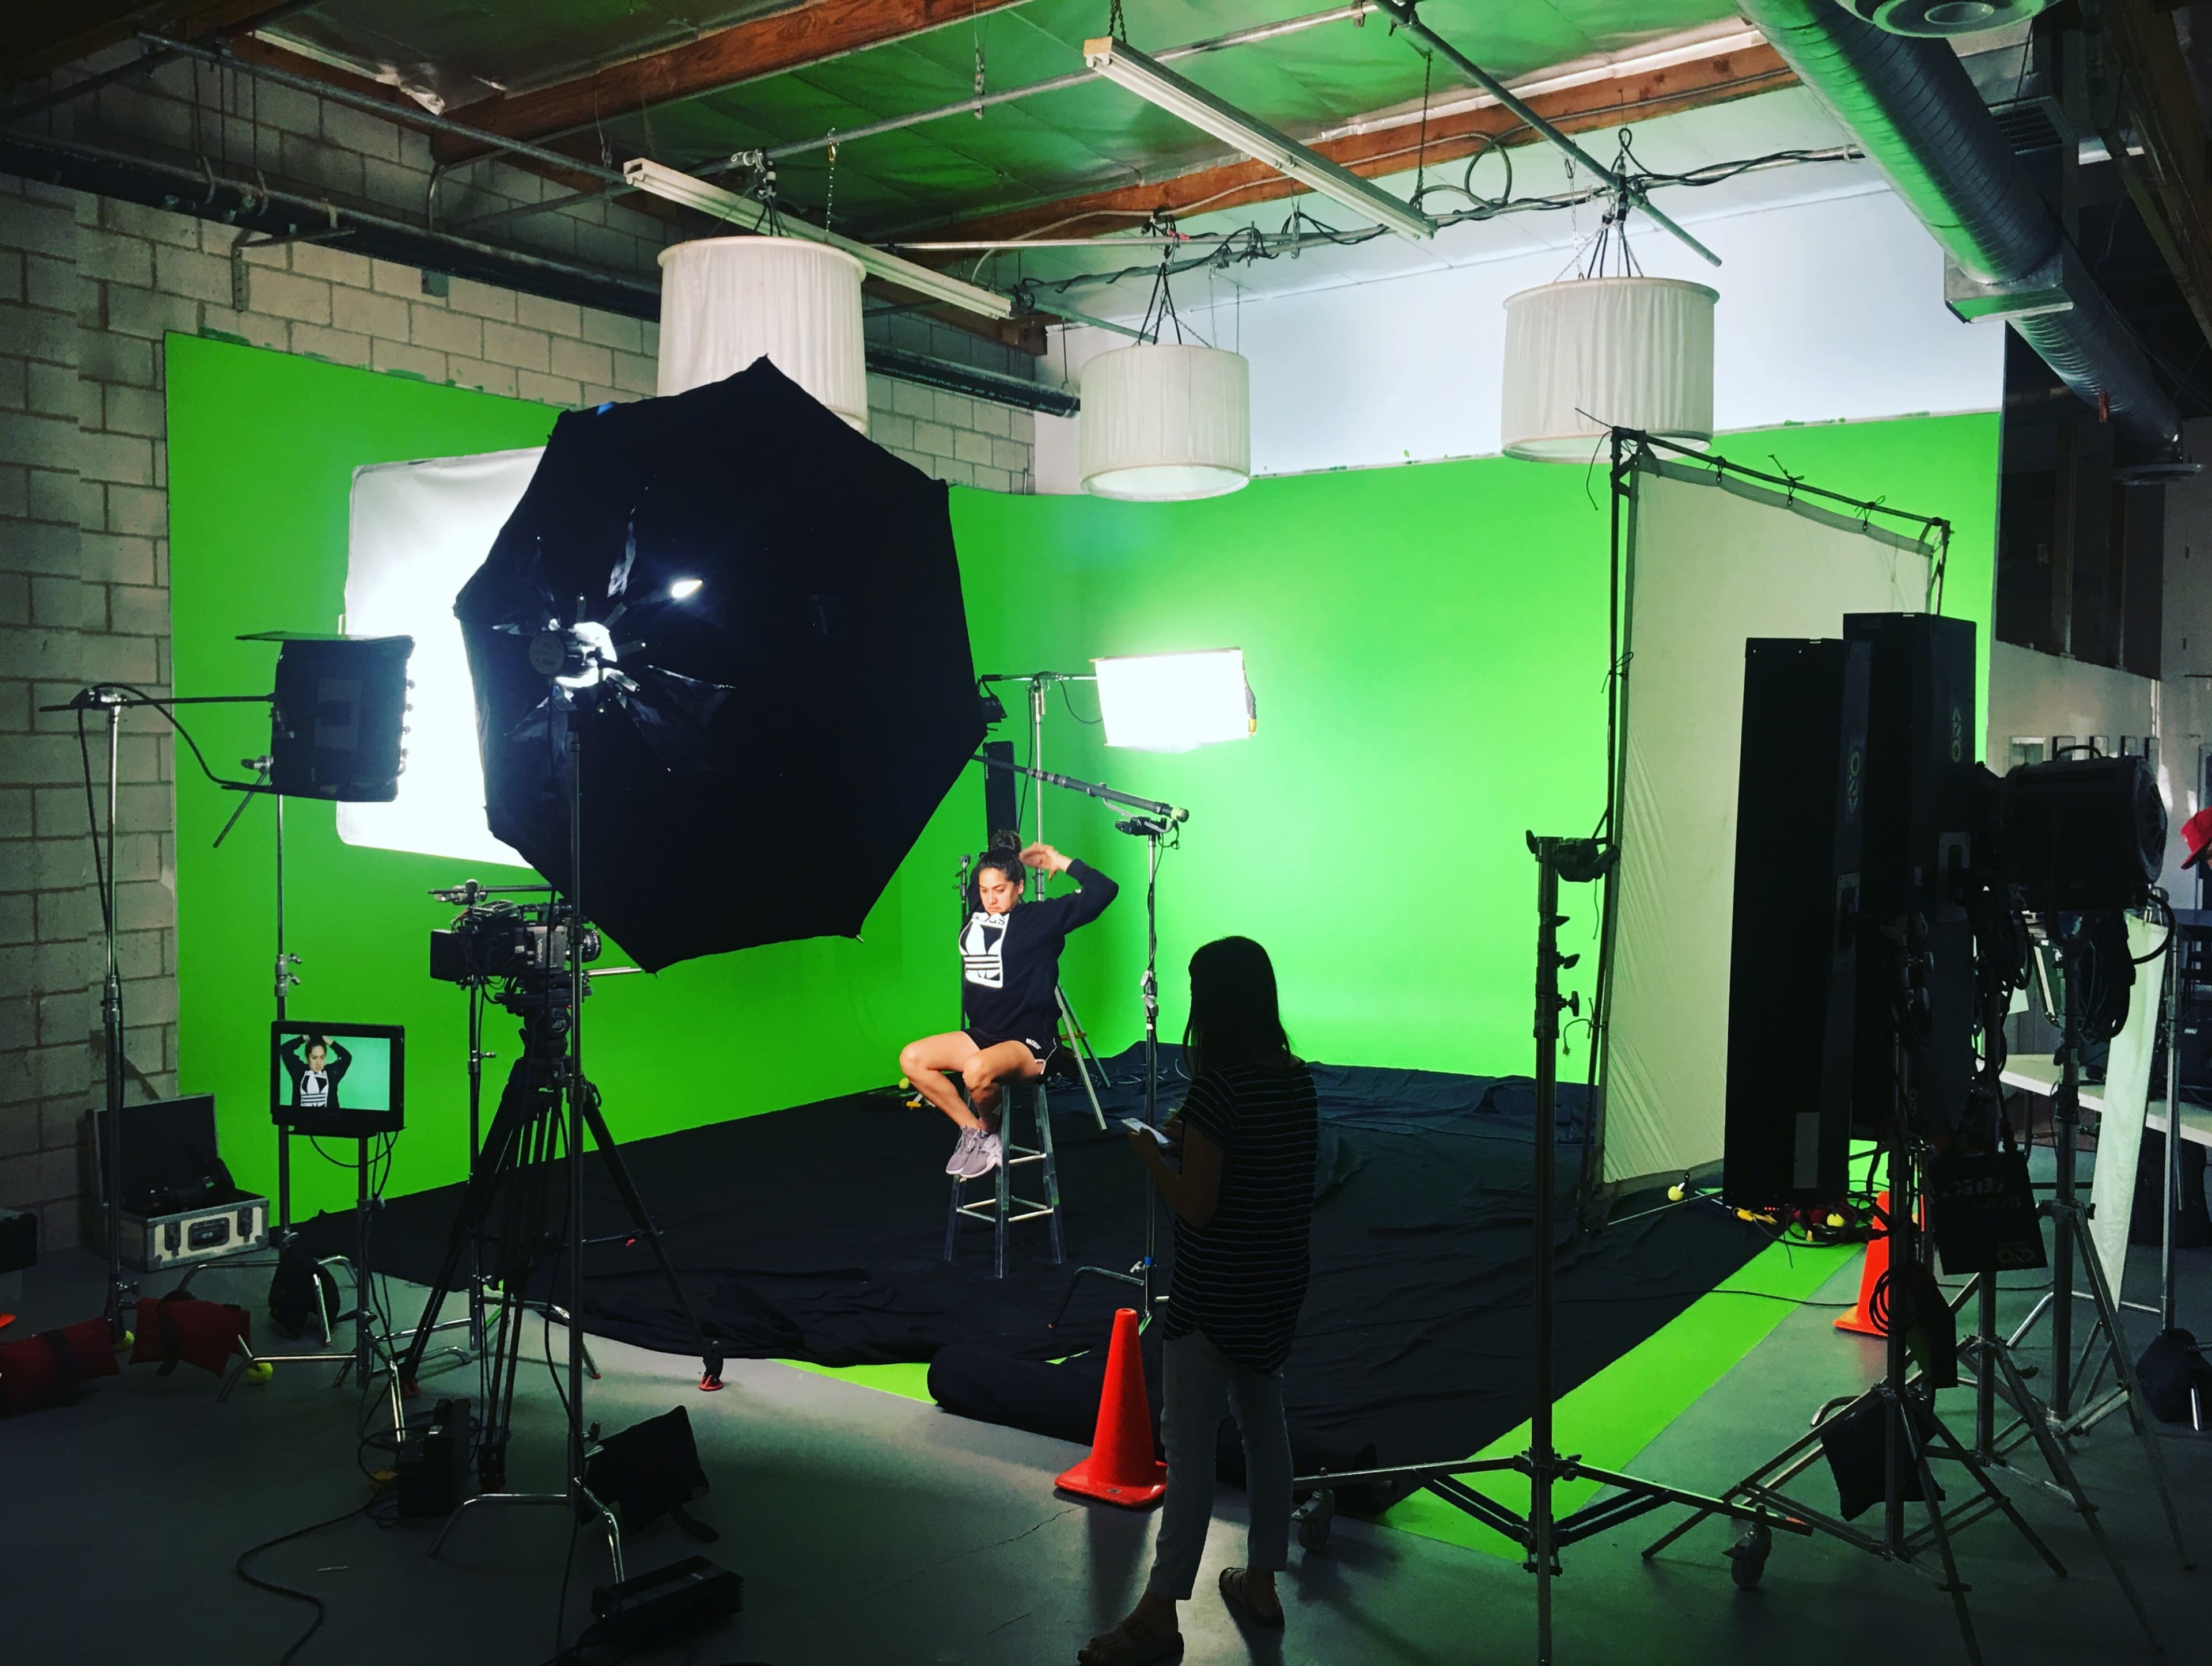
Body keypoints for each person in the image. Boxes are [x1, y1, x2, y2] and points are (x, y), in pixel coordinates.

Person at [1080, 936, 1318, 1666]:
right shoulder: (1294, 1081)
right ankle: (1264, 1583)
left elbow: (1199, 1205)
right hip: (1273, 1293)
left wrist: (1155, 1153)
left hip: (1211, 1297)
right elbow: (1258, 1170)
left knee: (1185, 1454)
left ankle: (1158, 1615)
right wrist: (1192, 1136)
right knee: (1264, 1432)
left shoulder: (1219, 1090)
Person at [897, 841, 1118, 1181]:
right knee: (912, 1058)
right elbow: (986, 873)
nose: (991, 898)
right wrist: (1007, 856)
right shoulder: (978, 911)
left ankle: (989, 1128)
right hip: (984, 1034)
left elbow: (1104, 890)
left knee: (976, 1071)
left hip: (1029, 1042)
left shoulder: (1041, 919)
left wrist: (1058, 860)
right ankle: (975, 1133)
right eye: (985, 890)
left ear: (1020, 887)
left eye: (1000, 890)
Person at [278, 1033, 353, 1115]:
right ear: (307, 1057)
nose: (319, 1063)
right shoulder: (299, 1071)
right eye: (314, 1058)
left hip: (330, 1125)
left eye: (322, 1057)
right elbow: (285, 1049)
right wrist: (304, 1038)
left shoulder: (331, 1073)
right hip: (303, 1125)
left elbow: (347, 1057)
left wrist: (327, 1040)